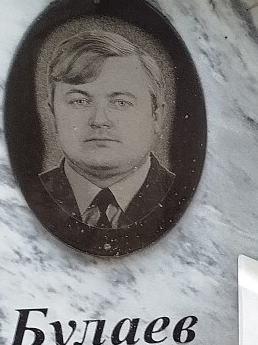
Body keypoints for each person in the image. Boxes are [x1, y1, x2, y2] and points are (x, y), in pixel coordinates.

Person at [36, 24, 175, 242]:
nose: (99, 120)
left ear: (156, 116)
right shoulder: (30, 194)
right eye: (79, 101)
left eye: (121, 102)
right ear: (52, 113)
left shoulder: (179, 195)